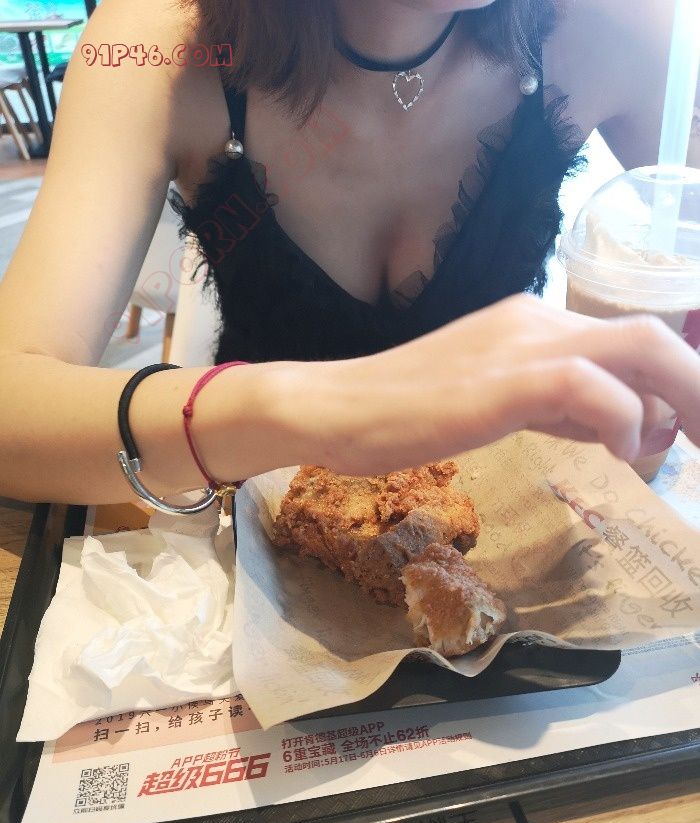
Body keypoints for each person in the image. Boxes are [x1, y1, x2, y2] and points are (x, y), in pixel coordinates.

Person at [0, 0, 698, 507]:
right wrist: (309, 410)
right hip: (255, 573)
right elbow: (13, 403)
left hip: (535, 557)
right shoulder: (156, 44)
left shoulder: (614, 23)